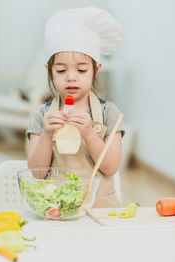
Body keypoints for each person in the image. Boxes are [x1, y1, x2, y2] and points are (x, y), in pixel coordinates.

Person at [26, 7, 125, 208]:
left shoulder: (109, 113)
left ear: (96, 70)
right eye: (61, 70)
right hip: (55, 208)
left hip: (100, 209)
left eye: (81, 69)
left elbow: (111, 167)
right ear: (50, 71)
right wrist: (46, 134)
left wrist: (89, 133)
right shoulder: (42, 115)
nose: (71, 76)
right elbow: (37, 173)